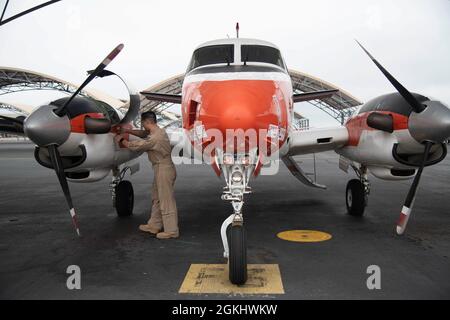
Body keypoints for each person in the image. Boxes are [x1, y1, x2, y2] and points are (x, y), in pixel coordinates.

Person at [114, 111, 179, 239]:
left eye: (143, 123)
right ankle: (154, 225)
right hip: (161, 168)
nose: (143, 126)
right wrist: (128, 131)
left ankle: (172, 231)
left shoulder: (155, 138)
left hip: (164, 169)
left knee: (166, 200)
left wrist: (121, 139)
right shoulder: (157, 131)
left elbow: (136, 146)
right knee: (157, 198)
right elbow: (144, 134)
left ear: (146, 122)